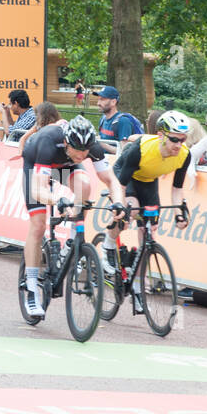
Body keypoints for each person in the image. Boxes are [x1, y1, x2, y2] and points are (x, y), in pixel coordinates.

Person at [18, 115, 124, 319]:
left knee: (85, 186)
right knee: (39, 226)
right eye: (77, 149)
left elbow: (111, 180)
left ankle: (72, 240)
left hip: (65, 166)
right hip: (37, 164)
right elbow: (39, 190)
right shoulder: (48, 142)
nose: (83, 154)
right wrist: (57, 199)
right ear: (66, 142)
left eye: (86, 150)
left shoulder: (89, 148)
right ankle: (31, 287)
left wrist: (118, 201)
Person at [103, 111, 193, 314]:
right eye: (174, 140)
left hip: (148, 182)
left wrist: (179, 213)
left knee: (150, 233)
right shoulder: (141, 149)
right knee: (130, 210)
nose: (178, 145)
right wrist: (122, 209)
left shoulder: (184, 155)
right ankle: (108, 243)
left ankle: (137, 287)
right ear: (161, 135)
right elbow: (121, 186)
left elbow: (177, 188)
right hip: (125, 178)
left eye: (182, 140)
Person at [95, 85, 142, 153]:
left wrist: (102, 144)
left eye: (102, 99)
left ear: (113, 102)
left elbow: (124, 151)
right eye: (98, 99)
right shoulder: (103, 119)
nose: (98, 103)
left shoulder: (123, 121)